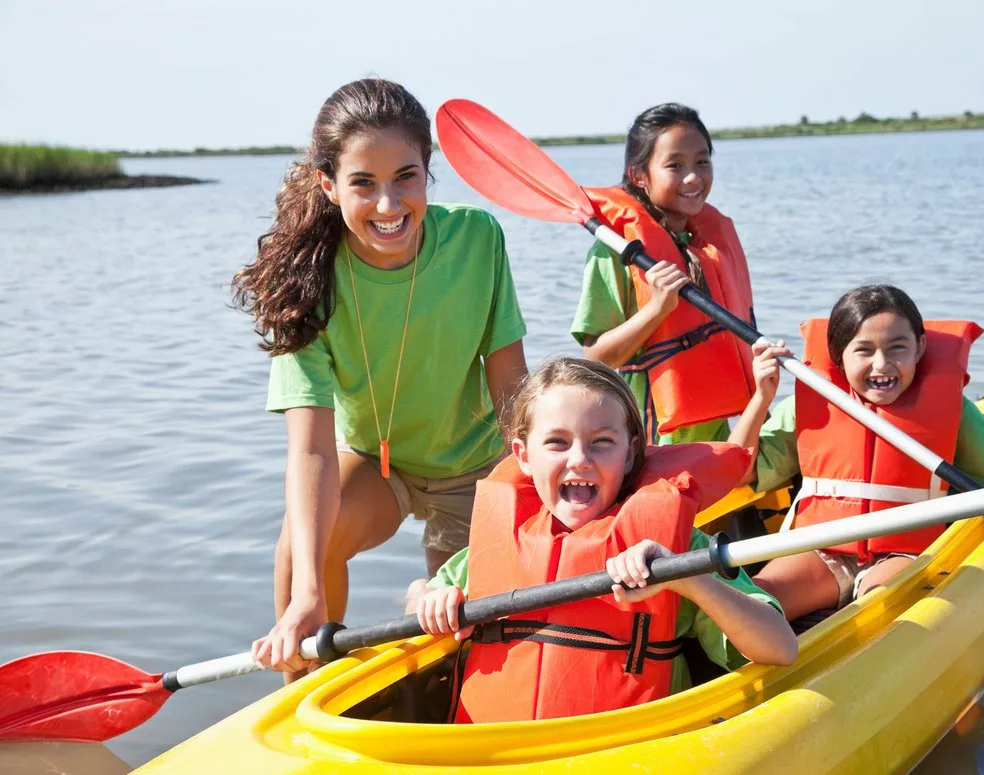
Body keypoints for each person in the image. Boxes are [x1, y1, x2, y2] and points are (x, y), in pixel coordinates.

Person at [234, 79, 528, 677]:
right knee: (301, 551)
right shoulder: (305, 282)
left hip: (476, 465)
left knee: (457, 636)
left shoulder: (477, 238)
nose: (389, 205)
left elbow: (512, 390)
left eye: (406, 177)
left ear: (428, 172)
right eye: (363, 184)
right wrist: (307, 596)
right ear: (328, 184)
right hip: (376, 462)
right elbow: (312, 450)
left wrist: (526, 492)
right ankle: (300, 691)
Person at [407, 357, 796, 723]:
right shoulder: (490, 549)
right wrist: (428, 596)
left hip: (622, 752)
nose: (579, 459)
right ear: (523, 456)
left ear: (630, 455)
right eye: (557, 442)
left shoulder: (673, 548)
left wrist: (687, 579)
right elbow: (418, 601)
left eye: (602, 442)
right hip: (495, 754)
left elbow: (780, 647)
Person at [728, 285, 984, 620]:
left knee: (876, 610)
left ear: (919, 347)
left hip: (905, 553)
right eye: (864, 350)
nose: (882, 364)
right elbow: (740, 471)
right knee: (754, 604)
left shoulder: (953, 414)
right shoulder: (806, 407)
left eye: (897, 347)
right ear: (839, 355)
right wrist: (762, 397)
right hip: (821, 548)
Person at [570, 103, 756, 444]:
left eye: (702, 161)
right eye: (675, 165)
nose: (693, 177)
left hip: (713, 432)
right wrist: (657, 309)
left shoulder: (707, 244)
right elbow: (596, 356)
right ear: (640, 176)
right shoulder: (615, 250)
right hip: (649, 438)